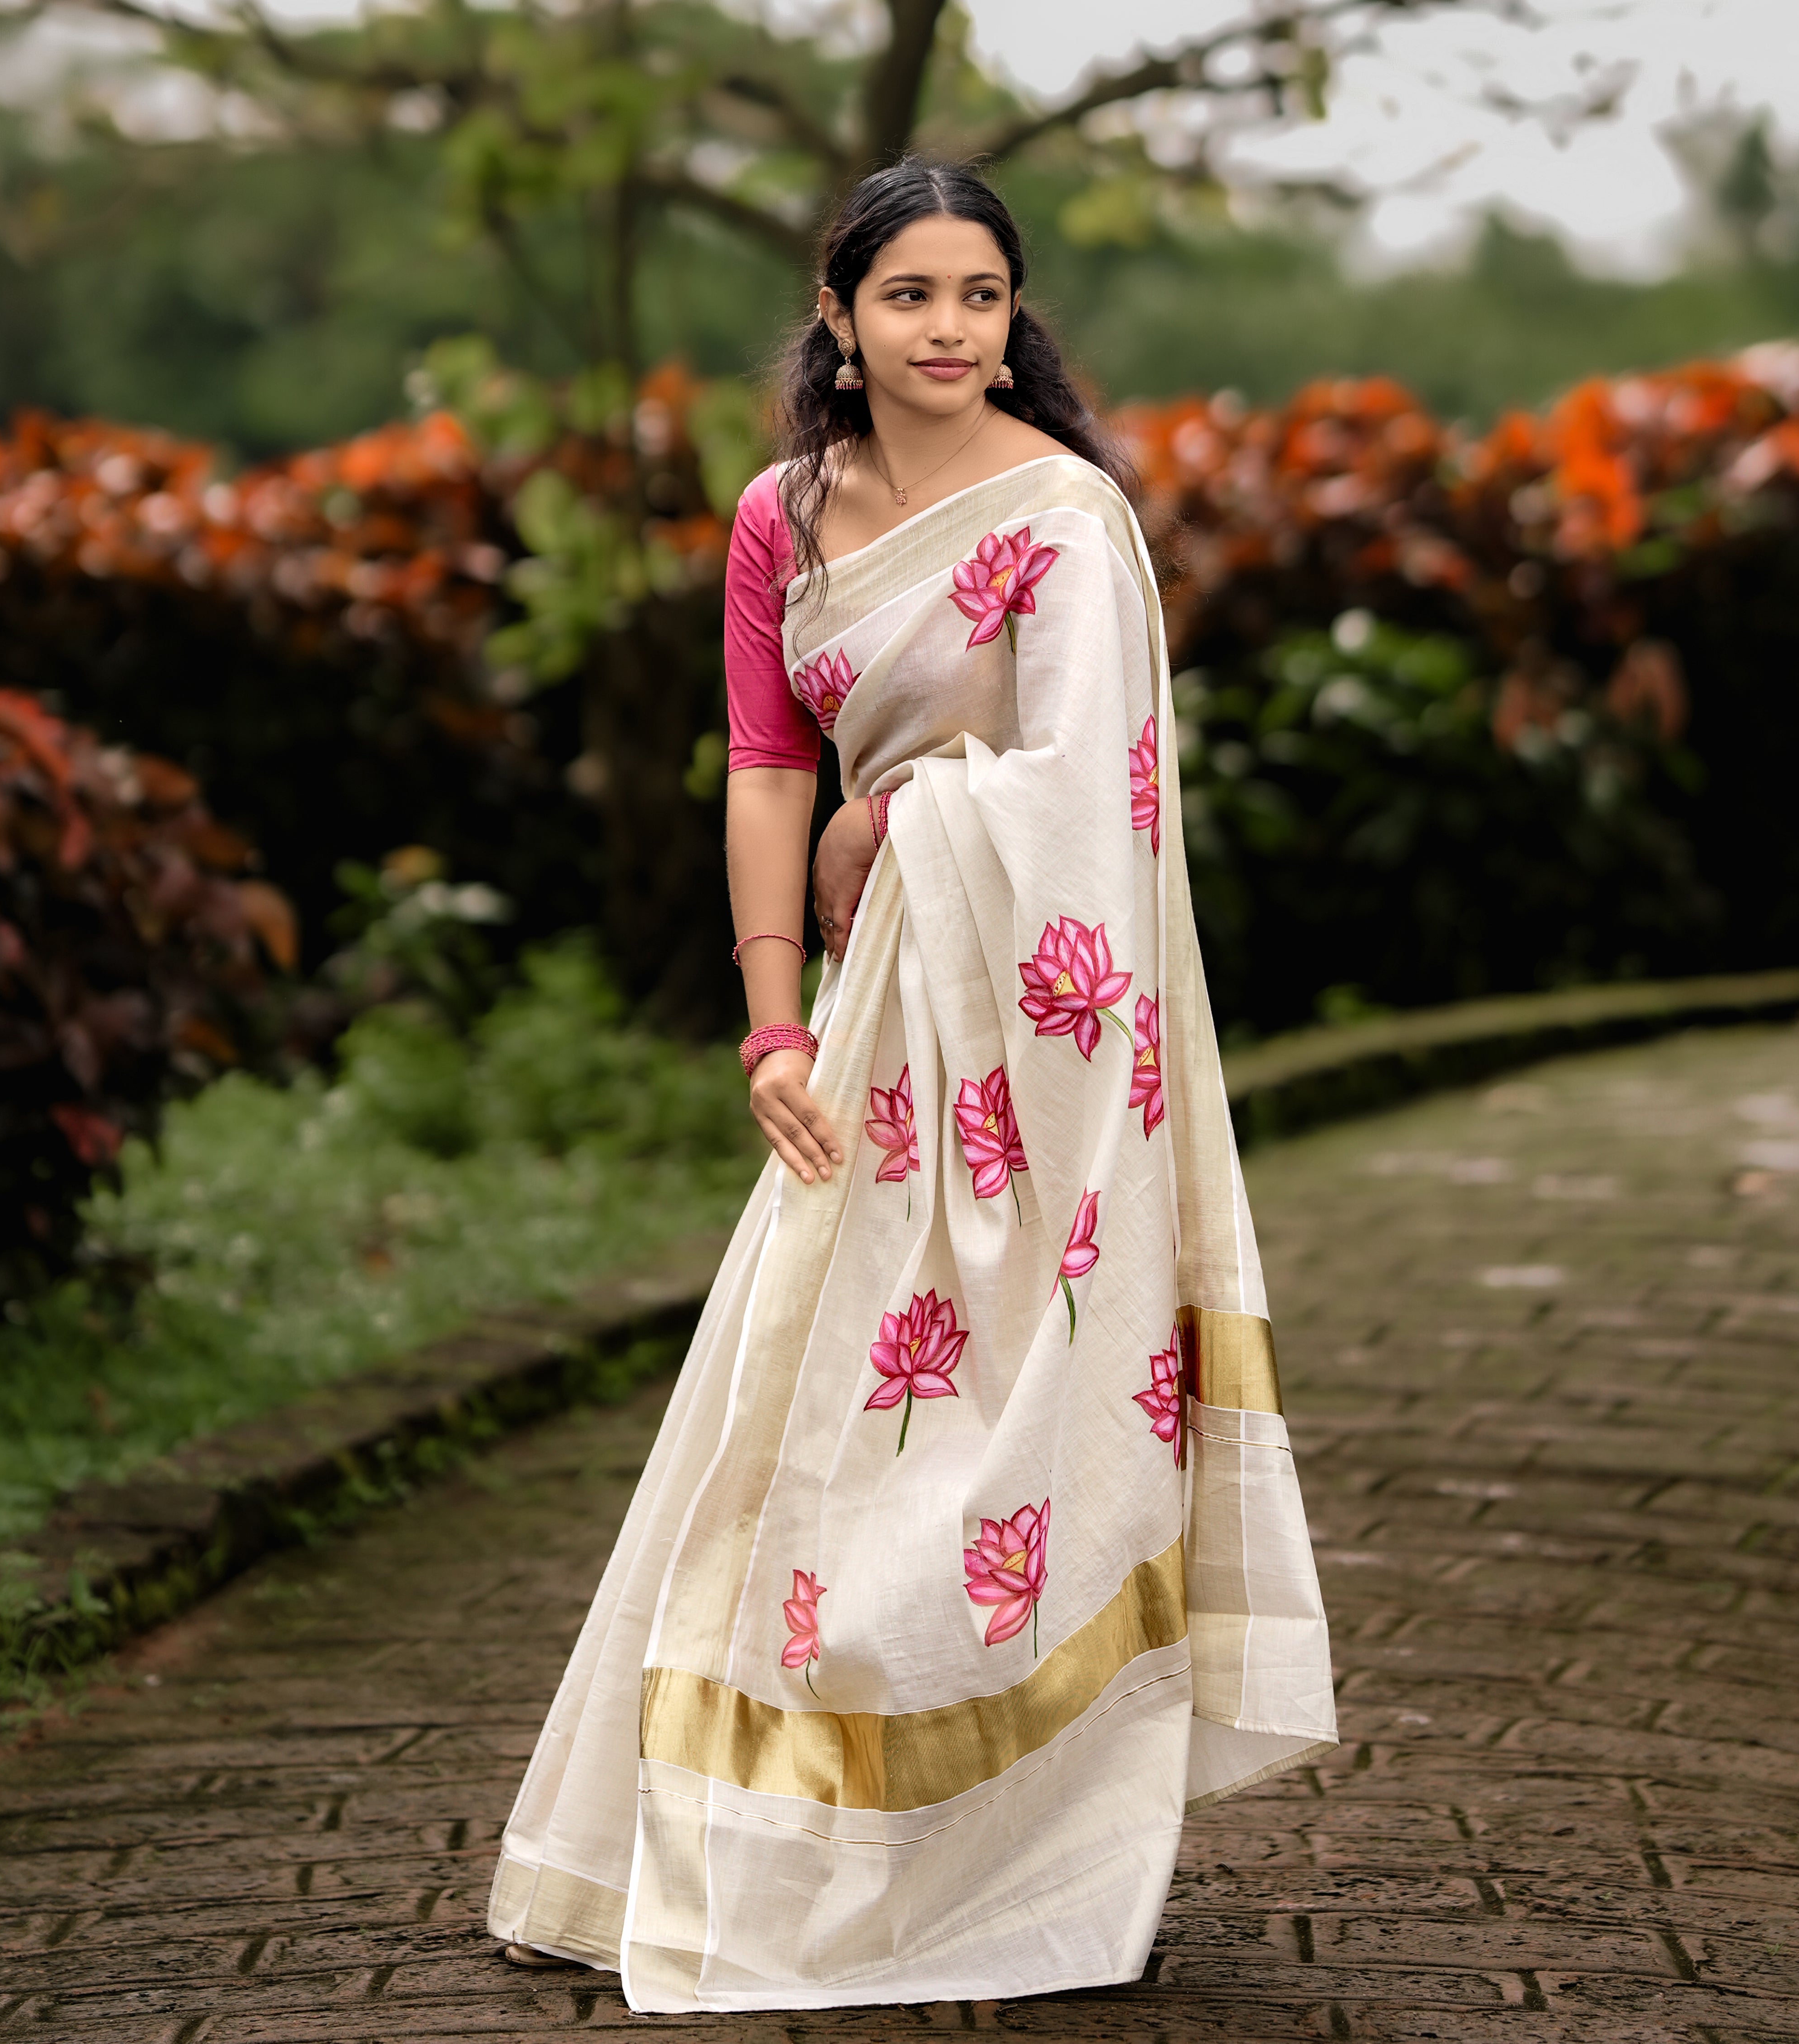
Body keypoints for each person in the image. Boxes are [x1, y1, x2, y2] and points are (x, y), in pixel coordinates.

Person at [486, 156, 1336, 2014]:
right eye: (910, 295)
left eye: (980, 294)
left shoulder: (1065, 515)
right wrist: (771, 1022)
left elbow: (1093, 794)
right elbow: (763, 767)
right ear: (839, 317)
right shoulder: (781, 517)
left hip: (1049, 1034)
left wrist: (900, 822)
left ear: (1012, 320)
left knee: (1010, 1425)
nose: (949, 329)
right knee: (803, 1410)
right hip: (869, 1016)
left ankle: (1019, 1854)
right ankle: (774, 1845)